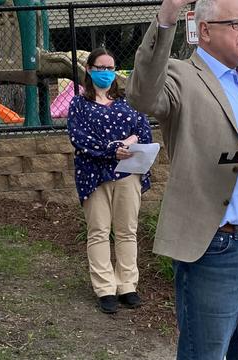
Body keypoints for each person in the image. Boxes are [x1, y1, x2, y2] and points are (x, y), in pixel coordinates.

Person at [126, 0, 238, 358]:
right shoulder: (181, 75)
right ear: (204, 30)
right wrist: (167, 15)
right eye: (236, 24)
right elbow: (143, 96)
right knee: (204, 353)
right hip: (217, 248)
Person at [67, 48, 152, 314]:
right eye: (100, 67)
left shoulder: (127, 102)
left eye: (110, 67)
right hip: (94, 174)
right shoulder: (78, 104)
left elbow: (144, 130)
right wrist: (110, 149)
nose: (106, 73)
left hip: (128, 173)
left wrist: (131, 141)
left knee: (127, 231)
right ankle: (105, 288)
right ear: (89, 70)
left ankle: (127, 285)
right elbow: (79, 139)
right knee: (99, 231)